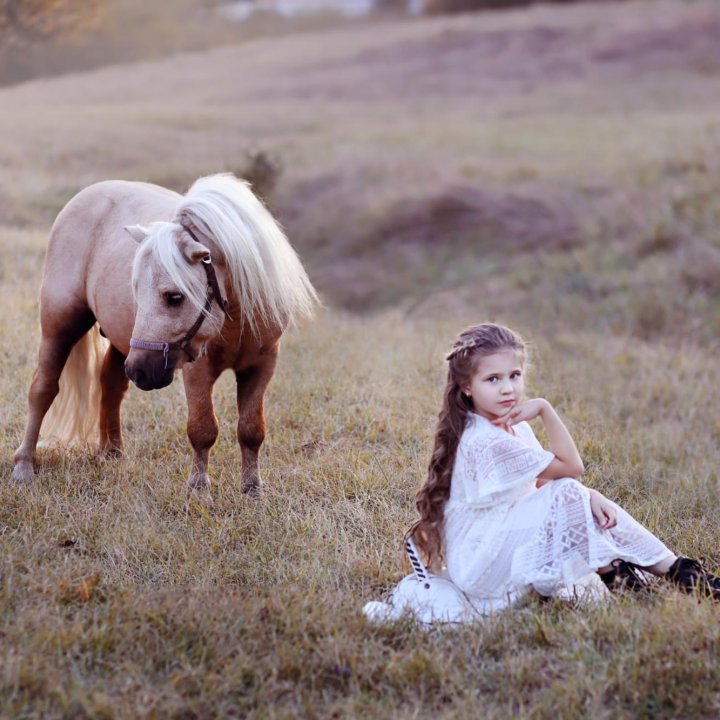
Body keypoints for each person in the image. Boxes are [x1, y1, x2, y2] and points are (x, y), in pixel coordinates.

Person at [365, 323, 720, 623]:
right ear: (467, 387)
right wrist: (547, 411)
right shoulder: (486, 439)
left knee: (577, 495)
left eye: (514, 376)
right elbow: (572, 469)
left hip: (498, 540)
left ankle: (671, 571)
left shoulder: (512, 426)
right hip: (480, 565)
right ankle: (639, 573)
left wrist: (593, 497)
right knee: (569, 492)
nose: (508, 388)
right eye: (493, 379)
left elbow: (539, 483)